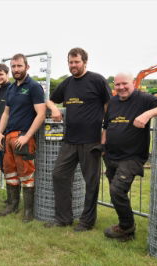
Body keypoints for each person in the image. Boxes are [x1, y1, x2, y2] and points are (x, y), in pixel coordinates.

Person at [102, 72, 157, 241]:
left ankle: (127, 228)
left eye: (125, 84)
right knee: (116, 192)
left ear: (133, 83)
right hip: (111, 155)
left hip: (132, 157)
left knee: (117, 190)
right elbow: (106, 126)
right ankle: (125, 225)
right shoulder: (113, 102)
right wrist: (103, 147)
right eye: (117, 84)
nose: (121, 87)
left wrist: (147, 114)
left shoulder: (143, 99)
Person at [45, 47, 112, 231]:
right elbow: (49, 100)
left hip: (91, 141)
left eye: (76, 62)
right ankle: (63, 218)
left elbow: (109, 106)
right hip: (70, 141)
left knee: (91, 182)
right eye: (70, 62)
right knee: (59, 175)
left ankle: (87, 221)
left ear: (85, 62)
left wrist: (106, 130)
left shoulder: (97, 80)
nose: (73, 65)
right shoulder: (67, 83)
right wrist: (55, 108)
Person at [0, 53, 60, 222]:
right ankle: (12, 205)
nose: (16, 69)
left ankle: (28, 212)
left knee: (26, 174)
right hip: (9, 137)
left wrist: (27, 137)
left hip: (23, 137)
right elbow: (6, 112)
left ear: (27, 67)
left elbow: (40, 114)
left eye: (19, 66)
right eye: (14, 66)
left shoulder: (33, 87)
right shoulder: (10, 88)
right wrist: (0, 132)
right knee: (10, 172)